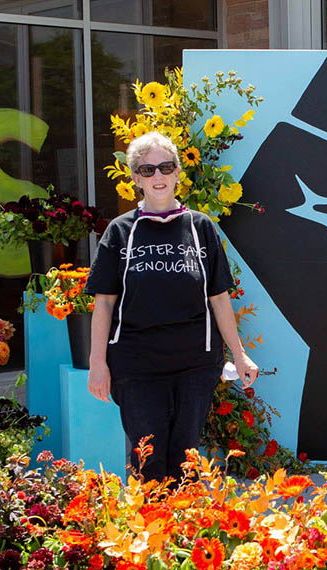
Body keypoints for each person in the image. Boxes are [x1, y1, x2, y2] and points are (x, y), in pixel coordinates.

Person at [84, 131, 258, 482]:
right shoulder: (121, 232)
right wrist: (97, 363)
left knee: (187, 460)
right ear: (136, 179)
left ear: (179, 172)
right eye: (147, 170)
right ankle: (150, 533)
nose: (158, 176)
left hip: (195, 364)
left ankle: (185, 533)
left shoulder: (200, 228)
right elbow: (103, 303)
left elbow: (219, 297)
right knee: (147, 460)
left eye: (165, 167)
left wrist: (239, 355)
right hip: (136, 366)